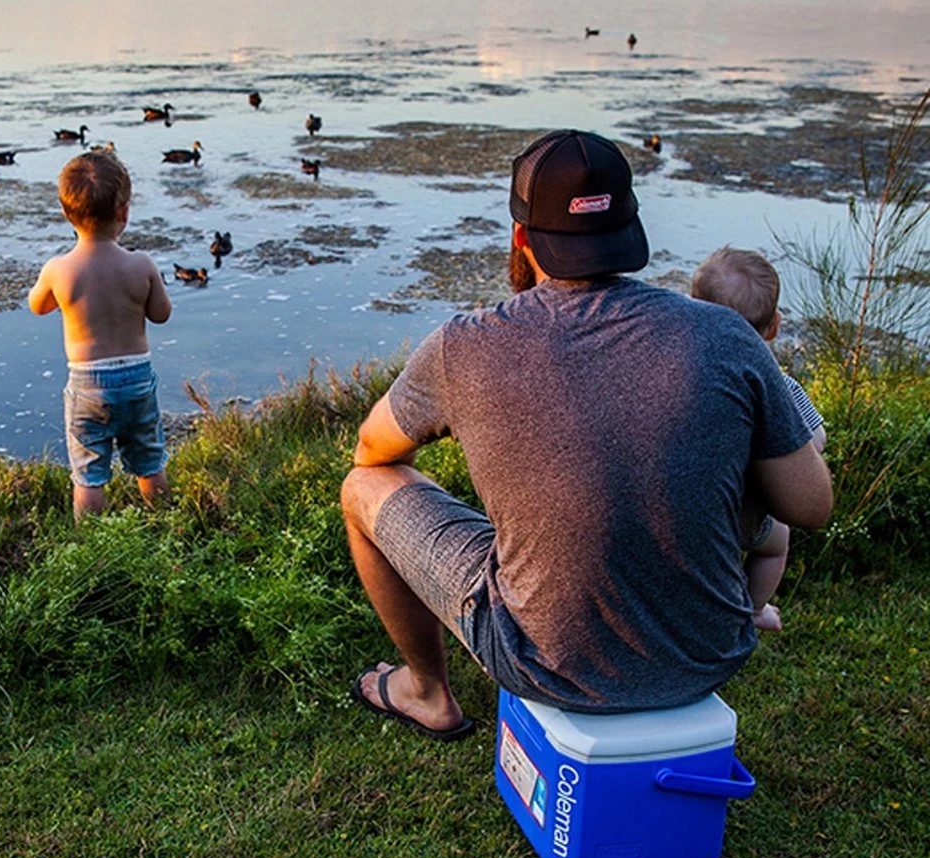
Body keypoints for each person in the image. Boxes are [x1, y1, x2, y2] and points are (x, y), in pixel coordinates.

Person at [341, 129, 833, 739]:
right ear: (633, 230)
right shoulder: (729, 337)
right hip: (710, 652)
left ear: (522, 236)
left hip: (543, 664)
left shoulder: (463, 346)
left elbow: (373, 449)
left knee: (363, 486)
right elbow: (811, 506)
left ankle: (426, 692)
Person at [29, 151, 173, 521]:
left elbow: (37, 306)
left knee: (89, 474)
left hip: (87, 385)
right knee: (149, 461)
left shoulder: (59, 270)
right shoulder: (141, 264)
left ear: (65, 213)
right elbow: (161, 314)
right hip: (137, 379)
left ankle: (89, 546)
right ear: (124, 211)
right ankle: (163, 521)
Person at [691, 246, 828, 632]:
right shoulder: (780, 387)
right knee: (776, 544)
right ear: (774, 327)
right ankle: (751, 610)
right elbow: (814, 440)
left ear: (691, 312)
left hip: (684, 504)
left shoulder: (682, 376)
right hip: (747, 513)